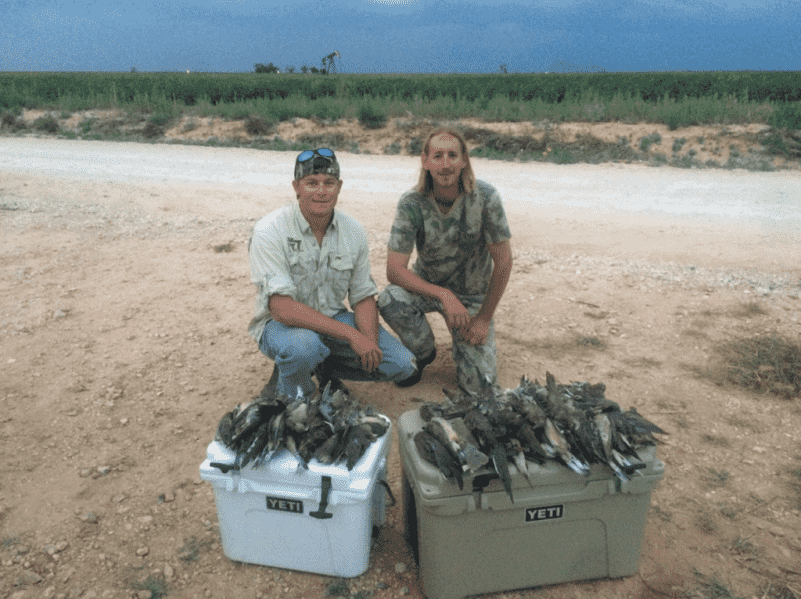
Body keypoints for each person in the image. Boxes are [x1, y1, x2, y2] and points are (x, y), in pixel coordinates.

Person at [248, 148, 416, 398]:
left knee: (403, 365)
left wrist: (367, 341)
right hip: (282, 327)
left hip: (332, 319)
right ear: (297, 187)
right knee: (303, 347)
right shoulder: (269, 230)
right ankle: (294, 387)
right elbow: (281, 308)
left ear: (339, 187)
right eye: (311, 183)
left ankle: (324, 369)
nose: (321, 191)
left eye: (329, 183)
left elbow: (362, 296)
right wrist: (350, 335)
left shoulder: (354, 231)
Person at [377, 128, 513, 394]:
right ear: (425, 161)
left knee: (478, 389)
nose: (446, 163)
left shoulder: (486, 198)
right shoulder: (411, 203)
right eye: (437, 156)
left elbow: (504, 262)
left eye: (453, 155)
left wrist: (483, 318)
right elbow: (394, 270)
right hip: (428, 288)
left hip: (472, 297)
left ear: (464, 161)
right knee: (390, 299)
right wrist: (444, 295)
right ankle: (423, 351)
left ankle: (466, 348)